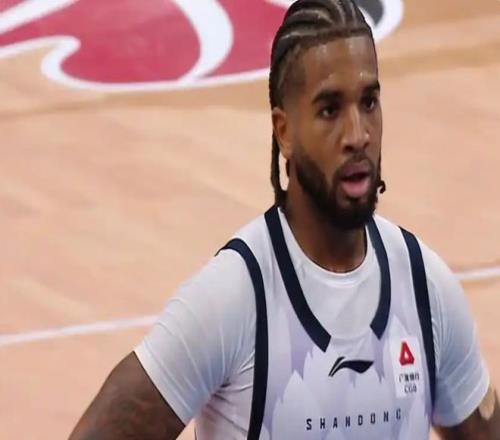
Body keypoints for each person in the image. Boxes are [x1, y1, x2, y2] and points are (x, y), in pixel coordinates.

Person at [69, 0, 499, 438]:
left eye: (369, 102)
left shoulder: (425, 287)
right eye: (330, 110)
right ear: (284, 131)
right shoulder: (234, 300)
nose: (358, 135)